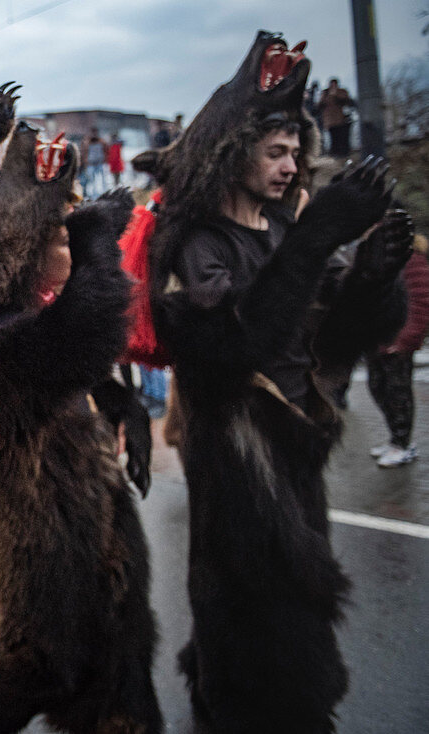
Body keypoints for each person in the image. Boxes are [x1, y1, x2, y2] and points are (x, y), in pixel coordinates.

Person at [145, 30, 406, 732]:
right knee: (256, 608)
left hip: (297, 444)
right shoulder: (193, 244)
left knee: (299, 593)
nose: (293, 165)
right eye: (276, 151)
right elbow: (232, 350)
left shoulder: (279, 230)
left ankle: (251, 697)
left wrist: (379, 275)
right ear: (235, 156)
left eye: (297, 151)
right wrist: (320, 235)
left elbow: (338, 338)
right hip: (237, 459)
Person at [368, 232, 429, 467]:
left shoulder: (412, 259)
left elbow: (422, 301)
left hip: (397, 344)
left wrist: (405, 340)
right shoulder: (379, 257)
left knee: (398, 395)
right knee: (377, 388)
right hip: (376, 341)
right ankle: (395, 439)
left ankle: (402, 445)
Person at [319, 77, 356, 156]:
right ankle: (334, 154)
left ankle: (343, 153)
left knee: (342, 137)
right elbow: (320, 104)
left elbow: (346, 101)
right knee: (333, 138)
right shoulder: (325, 93)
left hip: (341, 119)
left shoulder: (341, 92)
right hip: (330, 120)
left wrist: (335, 95)